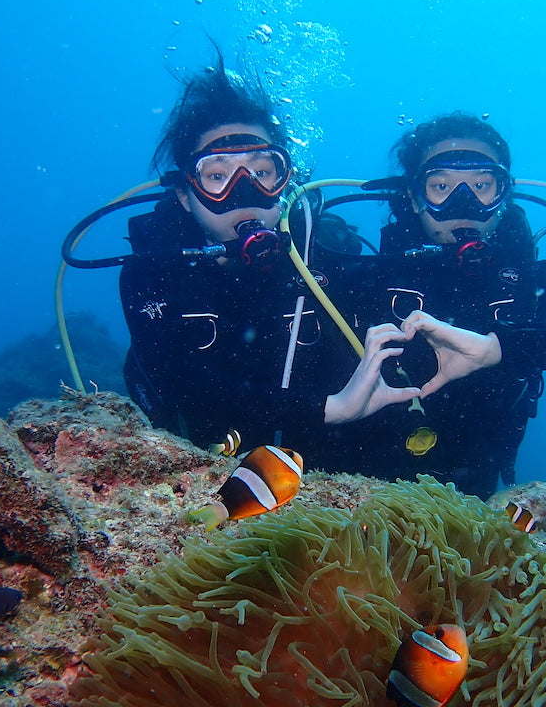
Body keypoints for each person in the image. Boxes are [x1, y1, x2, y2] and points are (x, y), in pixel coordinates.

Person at [119, 53, 419, 458]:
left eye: (262, 172)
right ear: (185, 196)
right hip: (194, 464)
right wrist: (327, 409)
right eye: (216, 176)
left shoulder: (325, 255)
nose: (244, 192)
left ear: (285, 180)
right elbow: (180, 384)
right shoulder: (155, 268)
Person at [342, 112, 546, 498]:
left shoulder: (537, 279)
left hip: (477, 470)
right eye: (441, 185)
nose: (465, 203)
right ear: (413, 195)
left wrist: (496, 349)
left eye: (481, 185)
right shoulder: (370, 278)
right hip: (362, 470)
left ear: (502, 194)